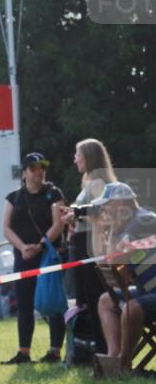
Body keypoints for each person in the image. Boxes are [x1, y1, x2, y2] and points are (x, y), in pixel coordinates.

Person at [0, 152, 67, 365]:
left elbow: (59, 222)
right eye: (34, 168)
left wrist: (40, 245)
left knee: (52, 300)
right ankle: (23, 352)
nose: (39, 171)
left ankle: (54, 351)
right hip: (23, 256)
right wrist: (21, 247)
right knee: (24, 303)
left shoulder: (53, 193)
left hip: (48, 254)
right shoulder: (14, 197)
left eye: (42, 167)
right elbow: (6, 227)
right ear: (24, 173)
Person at [89, 183, 156, 373]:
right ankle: (112, 358)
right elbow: (106, 263)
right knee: (106, 301)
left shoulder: (143, 220)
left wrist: (107, 229)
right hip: (147, 290)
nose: (104, 210)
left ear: (120, 204)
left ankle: (123, 363)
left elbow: (114, 257)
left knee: (131, 309)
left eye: (107, 205)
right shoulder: (127, 225)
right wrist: (100, 227)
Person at [62, 138, 118, 351]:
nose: (75, 159)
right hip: (84, 242)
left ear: (89, 157)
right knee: (88, 297)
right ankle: (97, 348)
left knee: (92, 297)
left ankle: (101, 349)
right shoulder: (92, 182)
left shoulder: (96, 184)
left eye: (78, 155)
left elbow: (101, 215)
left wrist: (73, 216)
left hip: (90, 246)